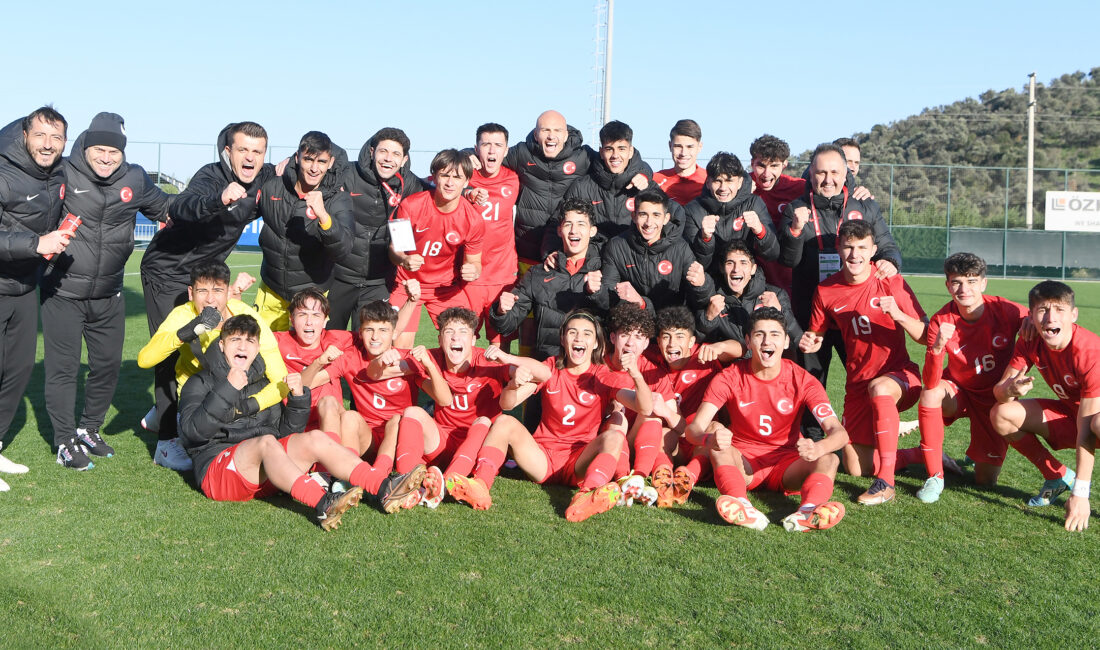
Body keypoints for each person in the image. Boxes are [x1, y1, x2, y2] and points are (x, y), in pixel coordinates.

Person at [178, 315, 427, 528]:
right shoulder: (201, 382)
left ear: (257, 349)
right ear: (222, 345)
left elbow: (284, 433)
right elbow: (191, 433)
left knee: (315, 438)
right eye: (235, 340)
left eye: (250, 341)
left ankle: (384, 487)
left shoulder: (264, 383)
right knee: (265, 443)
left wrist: (297, 401)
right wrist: (228, 390)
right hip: (218, 472)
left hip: (267, 476)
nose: (243, 346)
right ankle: (322, 503)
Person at [41, 112, 171, 469]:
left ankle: (89, 429)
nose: (106, 157)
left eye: (114, 151)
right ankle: (65, 440)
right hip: (62, 292)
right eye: (99, 148)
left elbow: (168, 208)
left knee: (107, 366)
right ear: (86, 145)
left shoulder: (135, 178)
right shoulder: (62, 171)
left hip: (109, 292)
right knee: (64, 369)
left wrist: (210, 204)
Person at [138, 121, 273, 452]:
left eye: (257, 152)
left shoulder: (264, 178)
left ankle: (163, 413)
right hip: (167, 272)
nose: (250, 158)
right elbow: (184, 206)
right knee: (171, 349)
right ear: (228, 152)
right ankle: (167, 443)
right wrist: (218, 199)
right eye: (243, 150)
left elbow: (309, 163)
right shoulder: (210, 177)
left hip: (205, 276)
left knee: (213, 344)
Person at [447, 311, 653, 522]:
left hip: (578, 461)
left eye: (586, 334)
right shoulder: (551, 367)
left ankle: (587, 494)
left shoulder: (601, 375)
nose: (579, 338)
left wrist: (636, 374)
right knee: (503, 421)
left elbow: (645, 408)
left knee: (615, 435)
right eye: (572, 332)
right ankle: (480, 484)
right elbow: (506, 404)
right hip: (542, 459)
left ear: (595, 343)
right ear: (563, 339)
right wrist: (512, 384)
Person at [687, 308, 849, 531]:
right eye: (759, 334)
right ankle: (741, 505)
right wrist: (708, 440)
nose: (766, 341)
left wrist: (818, 447)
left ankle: (808, 512)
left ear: (785, 342)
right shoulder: (730, 377)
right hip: (743, 461)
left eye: (774, 334)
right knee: (718, 444)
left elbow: (839, 433)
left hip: (786, 464)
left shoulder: (803, 380)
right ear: (748, 341)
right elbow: (694, 429)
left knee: (829, 459)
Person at [799, 220, 926, 505]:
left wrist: (899, 315)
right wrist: (810, 341)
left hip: (901, 377)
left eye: (861, 248)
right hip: (858, 384)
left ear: (874, 250)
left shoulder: (890, 281)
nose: (854, 254)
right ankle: (920, 454)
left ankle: (887, 484)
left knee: (880, 390)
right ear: (838, 249)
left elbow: (926, 336)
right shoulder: (826, 290)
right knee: (857, 468)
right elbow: (817, 334)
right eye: (848, 247)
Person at [137, 261, 288, 471]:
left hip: (241, 397)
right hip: (199, 401)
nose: (210, 298)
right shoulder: (184, 315)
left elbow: (282, 381)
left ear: (228, 292)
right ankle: (169, 425)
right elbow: (144, 359)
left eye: (217, 290)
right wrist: (187, 332)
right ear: (191, 293)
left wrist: (249, 406)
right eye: (202, 291)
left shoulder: (246, 318)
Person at [782, 143, 901, 394]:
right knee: (811, 385)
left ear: (846, 173)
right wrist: (794, 230)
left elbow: (887, 245)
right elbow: (788, 260)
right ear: (811, 173)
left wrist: (890, 260)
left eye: (835, 173)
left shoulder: (863, 205)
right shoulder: (797, 208)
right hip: (812, 311)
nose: (828, 180)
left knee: (868, 381)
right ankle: (813, 434)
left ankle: (871, 431)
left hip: (855, 311)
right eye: (822, 173)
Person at [916, 253, 1026, 502]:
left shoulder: (1007, 310)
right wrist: (936, 348)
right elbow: (931, 383)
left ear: (984, 283)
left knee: (985, 481)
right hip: (959, 392)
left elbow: (1042, 325)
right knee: (930, 394)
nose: (964, 289)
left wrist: (1031, 324)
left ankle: (928, 454)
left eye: (971, 281)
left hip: (994, 400)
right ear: (947, 285)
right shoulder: (941, 320)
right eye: (956, 282)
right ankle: (935, 476)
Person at [389, 307, 526, 507]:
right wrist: (387, 358)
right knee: (412, 412)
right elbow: (390, 366)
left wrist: (518, 376)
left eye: (463, 332)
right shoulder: (431, 357)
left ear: (473, 339)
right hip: (443, 441)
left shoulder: (489, 361)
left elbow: (542, 374)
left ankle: (449, 482)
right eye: (449, 332)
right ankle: (406, 482)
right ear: (439, 339)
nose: (455, 338)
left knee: (484, 421)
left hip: (478, 447)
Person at [0, 106, 69, 489]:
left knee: (19, 370)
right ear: (25, 134)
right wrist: (36, 243)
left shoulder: (58, 171)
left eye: (56, 138)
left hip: (25, 286)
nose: (48, 145)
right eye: (41, 135)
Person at [992, 280, 1100, 510]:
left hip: (1092, 420)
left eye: (1059, 309)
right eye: (1042, 310)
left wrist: (1080, 495)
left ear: (1074, 315)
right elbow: (1000, 392)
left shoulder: (1090, 352)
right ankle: (1056, 475)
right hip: (1074, 416)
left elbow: (1088, 425)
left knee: (1097, 424)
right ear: (1030, 316)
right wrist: (1009, 391)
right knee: (1002, 413)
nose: (1051, 318)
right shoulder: (1030, 340)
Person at [302, 296, 449, 463]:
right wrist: (319, 362)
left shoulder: (407, 360)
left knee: (395, 421)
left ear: (394, 333)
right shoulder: (351, 358)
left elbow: (444, 400)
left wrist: (429, 366)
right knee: (350, 417)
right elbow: (304, 385)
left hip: (401, 437)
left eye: (383, 330)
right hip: (368, 439)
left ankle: (384, 472)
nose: (375, 337)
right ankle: (345, 473)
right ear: (361, 332)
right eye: (369, 330)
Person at [254, 131, 353, 331]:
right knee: (260, 353)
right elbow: (240, 214)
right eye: (308, 159)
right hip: (271, 291)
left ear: (331, 162)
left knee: (304, 358)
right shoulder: (273, 187)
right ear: (297, 158)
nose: (314, 168)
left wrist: (324, 216)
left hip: (311, 298)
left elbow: (344, 249)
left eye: (322, 161)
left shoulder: (338, 199)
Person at [330, 127, 427, 330]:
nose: (388, 159)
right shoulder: (347, 173)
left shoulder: (409, 184)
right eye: (383, 151)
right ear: (372, 152)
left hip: (378, 282)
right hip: (337, 278)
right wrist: (288, 164)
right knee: (329, 340)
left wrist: (468, 192)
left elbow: (444, 190)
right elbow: (312, 167)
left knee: (369, 345)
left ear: (404, 160)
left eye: (396, 154)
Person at [490, 199, 611, 360]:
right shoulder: (538, 273)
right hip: (547, 367)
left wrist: (599, 292)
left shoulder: (606, 270)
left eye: (581, 224)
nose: (574, 230)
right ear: (559, 230)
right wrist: (501, 310)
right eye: (568, 224)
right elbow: (505, 326)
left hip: (589, 372)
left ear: (592, 231)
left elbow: (615, 315)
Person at [388, 149, 485, 348]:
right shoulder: (411, 205)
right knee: (398, 347)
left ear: (466, 181)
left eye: (457, 177)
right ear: (434, 177)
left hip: (445, 289)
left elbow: (475, 262)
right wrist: (404, 260)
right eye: (445, 175)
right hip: (408, 284)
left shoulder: (473, 219)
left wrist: (473, 270)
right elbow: (394, 250)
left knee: (462, 342)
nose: (450, 182)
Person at [638, 306, 732, 506]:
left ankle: (687, 477)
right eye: (666, 337)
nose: (672, 344)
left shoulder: (705, 357)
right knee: (660, 432)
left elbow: (740, 348)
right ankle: (662, 476)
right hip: (674, 441)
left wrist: (720, 347)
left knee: (715, 429)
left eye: (680, 337)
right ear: (658, 341)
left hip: (701, 440)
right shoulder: (651, 358)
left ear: (691, 341)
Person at [601, 188, 713, 314]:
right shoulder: (617, 245)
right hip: (635, 322)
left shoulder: (681, 248)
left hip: (670, 324)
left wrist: (702, 285)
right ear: (634, 216)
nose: (649, 223)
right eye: (643, 214)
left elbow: (699, 300)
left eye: (656, 215)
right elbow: (608, 294)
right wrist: (637, 303)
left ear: (666, 219)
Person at [504, 110, 593, 268]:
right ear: (536, 134)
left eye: (557, 130)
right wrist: (469, 156)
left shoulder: (583, 157)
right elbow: (490, 154)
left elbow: (618, 163)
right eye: (545, 130)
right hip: (526, 251)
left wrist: (640, 172)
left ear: (566, 135)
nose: (551, 136)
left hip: (563, 254)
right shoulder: (522, 153)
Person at [561, 120, 667, 248]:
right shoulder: (582, 187)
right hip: (593, 262)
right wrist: (552, 253)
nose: (615, 155)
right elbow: (559, 222)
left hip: (634, 262)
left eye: (621, 149)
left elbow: (673, 223)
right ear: (601, 152)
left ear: (630, 151)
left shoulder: (646, 187)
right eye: (609, 149)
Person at [464, 123, 520, 346]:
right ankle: (463, 383)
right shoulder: (464, 175)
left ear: (506, 150)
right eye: (485, 144)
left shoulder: (514, 179)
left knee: (499, 344)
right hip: (470, 276)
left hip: (503, 276)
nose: (491, 150)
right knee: (465, 339)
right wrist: (467, 191)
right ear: (476, 149)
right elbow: (437, 179)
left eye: (498, 145)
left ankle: (497, 382)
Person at [682, 152, 779, 275]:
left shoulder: (753, 204)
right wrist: (704, 239)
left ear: (739, 183)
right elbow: (695, 266)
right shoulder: (692, 210)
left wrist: (760, 231)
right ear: (708, 182)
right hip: (708, 285)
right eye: (717, 181)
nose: (723, 187)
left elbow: (773, 254)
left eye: (729, 181)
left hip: (746, 284)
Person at [696, 241, 801, 353]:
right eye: (730, 263)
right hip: (729, 367)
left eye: (743, 263)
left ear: (753, 269)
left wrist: (780, 312)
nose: (736, 269)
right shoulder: (712, 298)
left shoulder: (775, 295)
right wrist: (708, 319)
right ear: (721, 268)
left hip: (767, 365)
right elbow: (697, 342)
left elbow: (796, 340)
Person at [274, 288, 354, 428]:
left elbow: (376, 334)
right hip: (296, 425)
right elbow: (239, 334)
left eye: (316, 315)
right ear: (291, 319)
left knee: (347, 415)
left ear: (325, 321)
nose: (309, 322)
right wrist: (235, 295)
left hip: (332, 422)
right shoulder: (278, 342)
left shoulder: (337, 339)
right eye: (302, 314)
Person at [652, 119, 706, 206]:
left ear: (699, 147)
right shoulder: (655, 180)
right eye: (678, 146)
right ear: (670, 146)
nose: (683, 153)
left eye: (689, 147)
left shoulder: (710, 181)